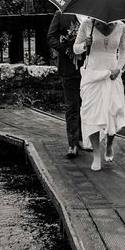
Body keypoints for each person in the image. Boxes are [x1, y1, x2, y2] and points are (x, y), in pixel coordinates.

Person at [73, 18, 125, 171]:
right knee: (91, 114)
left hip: (112, 74)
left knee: (113, 112)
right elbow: (76, 49)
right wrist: (85, 45)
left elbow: (123, 51)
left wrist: (118, 69)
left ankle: (109, 144)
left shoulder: (121, 26)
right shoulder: (87, 24)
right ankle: (96, 154)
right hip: (92, 75)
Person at [46, 11, 89, 157]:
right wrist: (67, 49)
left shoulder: (92, 17)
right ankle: (73, 143)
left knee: (86, 104)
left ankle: (84, 139)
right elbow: (51, 37)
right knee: (72, 105)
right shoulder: (61, 14)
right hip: (68, 66)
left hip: (89, 67)